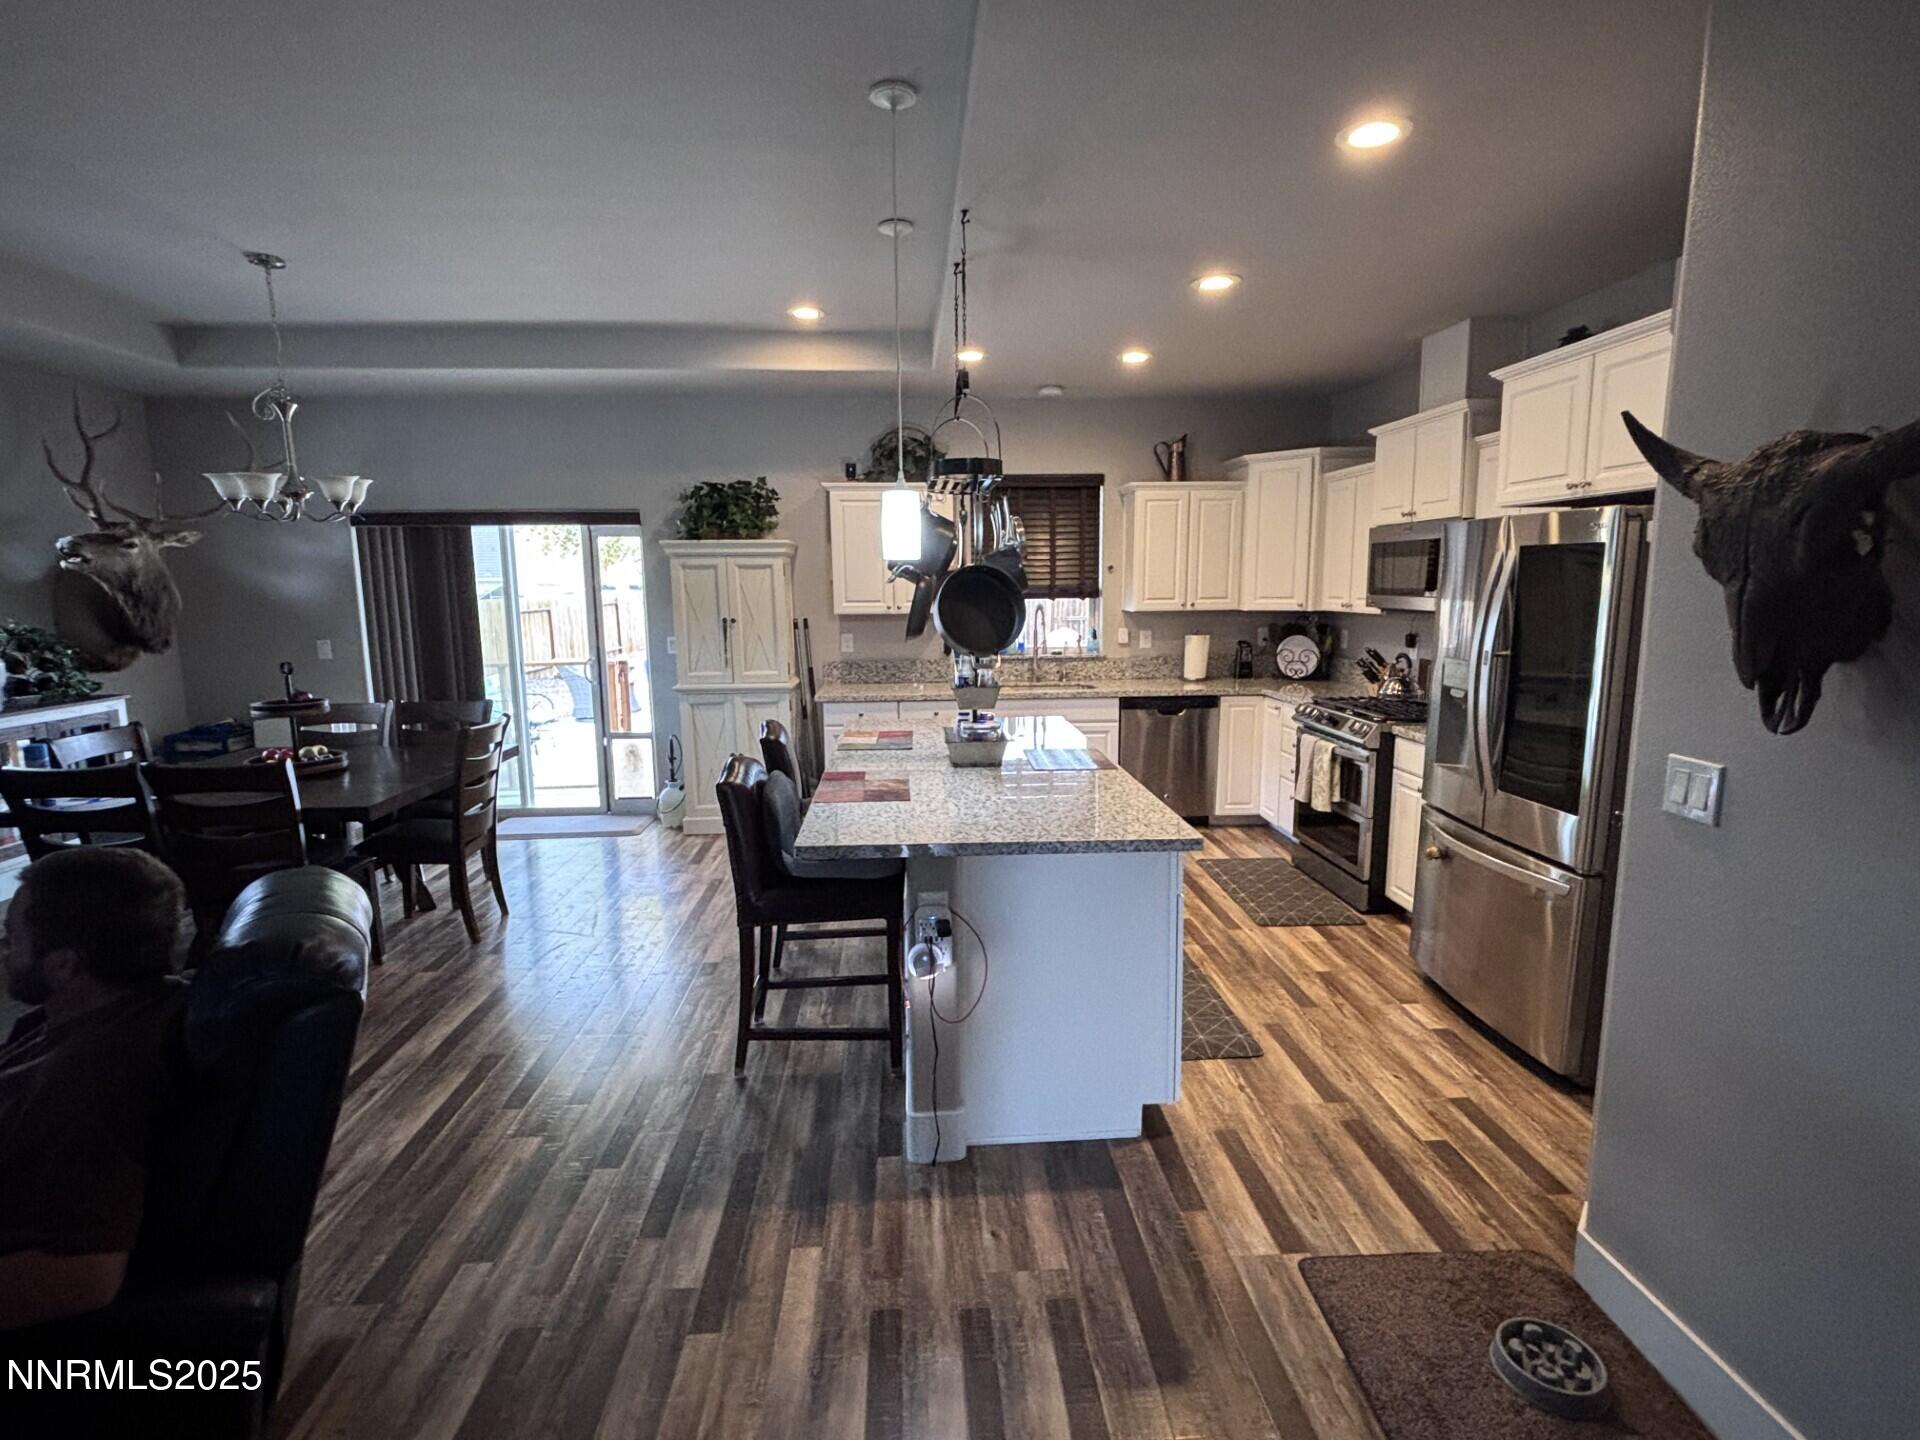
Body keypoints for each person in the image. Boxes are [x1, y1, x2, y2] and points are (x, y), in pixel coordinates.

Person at [0, 847, 189, 1330]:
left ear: (63, 964)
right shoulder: (99, 1015)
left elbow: (86, 1276)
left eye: (10, 939)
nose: (4, 953)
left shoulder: (94, 1079)